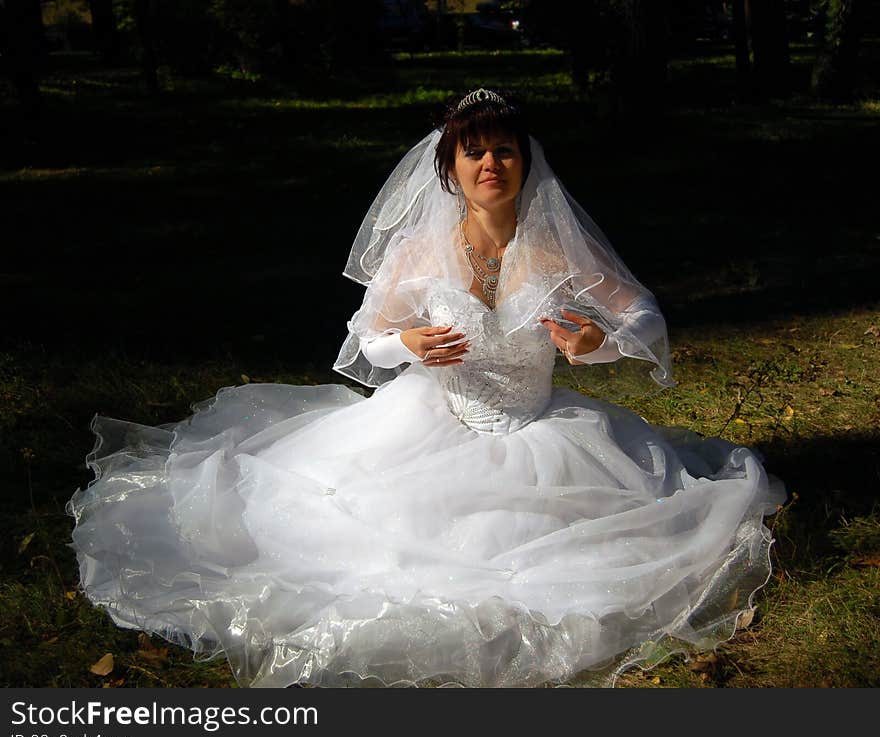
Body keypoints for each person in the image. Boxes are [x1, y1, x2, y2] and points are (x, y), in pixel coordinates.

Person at [68, 89, 785, 688]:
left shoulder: (557, 247)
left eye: (504, 149)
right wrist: (406, 342)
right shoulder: (422, 248)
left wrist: (597, 346)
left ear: (525, 160)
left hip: (541, 430)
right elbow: (366, 338)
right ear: (450, 168)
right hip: (426, 427)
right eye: (474, 152)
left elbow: (644, 315)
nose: (491, 164)